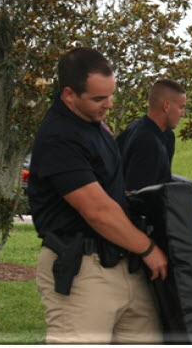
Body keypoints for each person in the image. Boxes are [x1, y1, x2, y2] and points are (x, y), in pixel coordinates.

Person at [28, 47, 167, 343]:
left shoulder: (96, 127)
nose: (109, 104)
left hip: (125, 263)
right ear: (69, 95)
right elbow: (97, 211)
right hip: (82, 273)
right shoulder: (59, 136)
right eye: (98, 98)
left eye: (111, 94)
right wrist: (148, 249)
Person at [116, 79, 186, 190]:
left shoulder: (167, 136)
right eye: (181, 107)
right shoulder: (147, 142)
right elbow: (135, 196)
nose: (183, 114)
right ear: (166, 106)